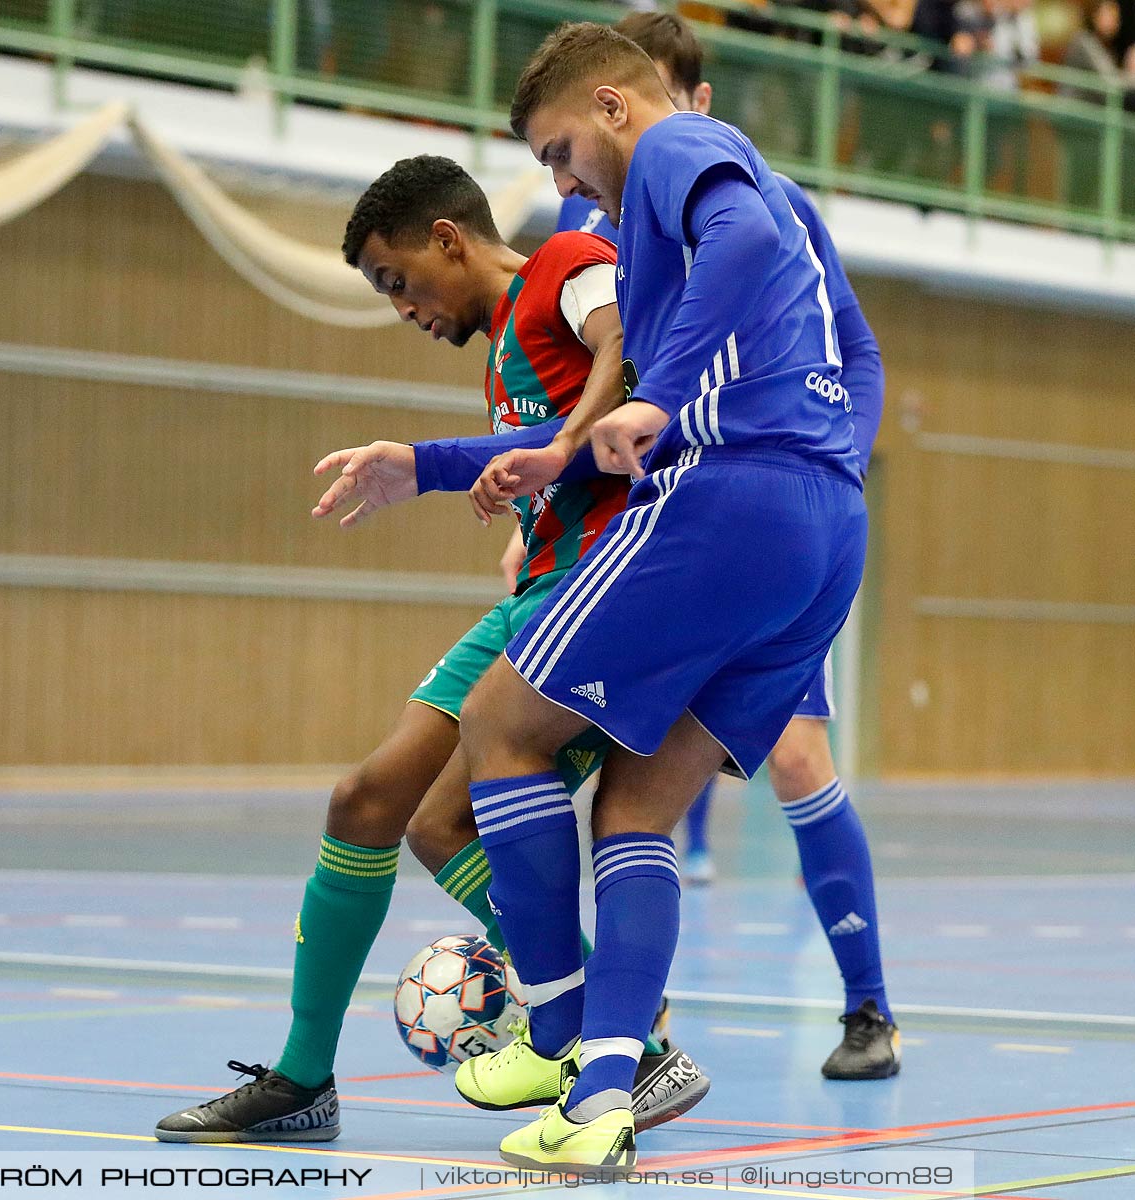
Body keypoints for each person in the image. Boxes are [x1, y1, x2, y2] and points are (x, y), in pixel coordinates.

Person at [153, 156, 708, 1145]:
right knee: (391, 811)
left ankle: (610, 1040)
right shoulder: (501, 353)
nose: (399, 305)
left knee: (441, 806)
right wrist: (481, 481)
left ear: (449, 238)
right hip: (539, 591)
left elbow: (626, 342)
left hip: (604, 597)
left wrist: (466, 464)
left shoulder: (571, 262)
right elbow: (557, 445)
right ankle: (307, 1079)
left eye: (395, 279)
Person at [448, 23, 872, 1171]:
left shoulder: (680, 146)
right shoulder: (793, 201)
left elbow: (723, 242)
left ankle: (553, 1028)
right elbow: (862, 352)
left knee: (498, 724)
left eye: (557, 151)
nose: (562, 180)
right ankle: (600, 1104)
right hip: (829, 528)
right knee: (637, 811)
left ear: (614, 106)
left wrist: (671, 394)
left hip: (728, 504)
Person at [549, 10, 897, 1071]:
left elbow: (859, 347)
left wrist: (836, 449)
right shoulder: (601, 231)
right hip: (686, 515)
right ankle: (621, 1037)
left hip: (756, 512)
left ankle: (865, 1005)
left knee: (791, 756)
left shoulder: (724, 184)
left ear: (681, 104)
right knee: (619, 772)